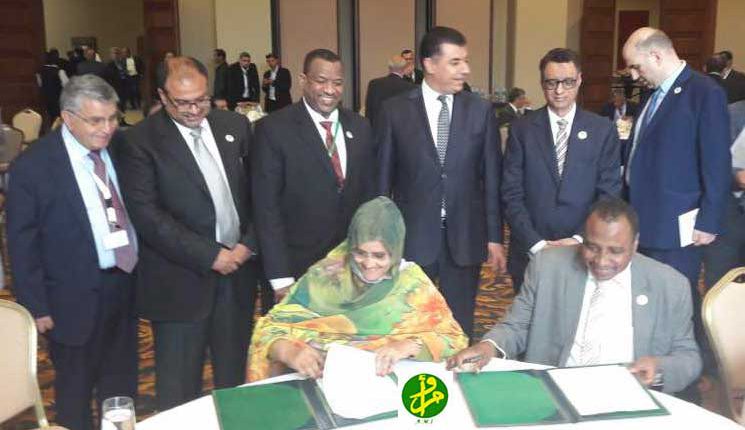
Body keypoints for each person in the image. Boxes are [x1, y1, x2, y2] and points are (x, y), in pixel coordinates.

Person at [447, 198, 701, 395]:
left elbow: (688, 357)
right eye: (592, 247)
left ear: (634, 245)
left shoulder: (669, 285)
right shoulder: (547, 266)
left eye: (615, 251)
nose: (601, 261)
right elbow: (517, 325)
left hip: (628, 396)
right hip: (554, 392)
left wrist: (658, 369)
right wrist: (488, 347)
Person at [117, 56, 259, 410]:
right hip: (179, 284)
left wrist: (247, 245)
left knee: (235, 384)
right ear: (163, 96)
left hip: (238, 277)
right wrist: (211, 255)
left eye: (201, 100)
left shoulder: (235, 125)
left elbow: (260, 193)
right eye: (183, 103)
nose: (195, 110)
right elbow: (148, 216)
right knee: (179, 391)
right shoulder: (140, 141)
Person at [6, 75, 138, 430]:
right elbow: (21, 243)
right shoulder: (33, 167)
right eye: (96, 120)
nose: (107, 129)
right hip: (69, 298)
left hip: (123, 285)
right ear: (68, 117)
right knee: (75, 394)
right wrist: (36, 305)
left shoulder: (120, 148)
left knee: (121, 387)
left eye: (112, 118)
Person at [248, 197, 467, 381]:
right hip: (321, 381)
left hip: (386, 383)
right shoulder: (326, 276)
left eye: (380, 256)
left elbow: (454, 340)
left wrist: (410, 346)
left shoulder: (412, 285)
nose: (369, 264)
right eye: (360, 253)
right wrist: (288, 351)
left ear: (396, 250)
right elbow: (268, 329)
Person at [377, 27, 505, 338]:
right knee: (408, 326)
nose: (466, 69)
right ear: (430, 64)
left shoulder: (480, 111)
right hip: (412, 239)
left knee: (459, 327)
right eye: (455, 62)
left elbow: (491, 178)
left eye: (466, 61)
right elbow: (381, 181)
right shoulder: (395, 111)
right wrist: (382, 239)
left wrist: (494, 237)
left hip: (465, 238)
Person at [622, 29, 730, 397]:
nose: (633, 75)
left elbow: (716, 161)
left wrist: (709, 220)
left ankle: (686, 386)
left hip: (679, 227)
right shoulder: (652, 95)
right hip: (644, 221)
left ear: (655, 56)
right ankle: (649, 375)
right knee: (648, 304)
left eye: (636, 67)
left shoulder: (704, 93)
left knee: (677, 307)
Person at [252, 48, 376, 303]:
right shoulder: (273, 129)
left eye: (337, 83)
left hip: (349, 266)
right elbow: (266, 208)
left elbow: (368, 196)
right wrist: (280, 278)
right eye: (321, 81)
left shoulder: (360, 127)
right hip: (296, 268)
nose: (330, 90)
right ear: (303, 80)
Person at [502, 48, 621, 292]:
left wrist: (579, 238)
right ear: (541, 82)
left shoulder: (602, 130)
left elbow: (608, 193)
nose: (559, 90)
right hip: (530, 251)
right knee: (530, 315)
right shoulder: (522, 129)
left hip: (585, 250)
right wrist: (536, 244)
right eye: (551, 82)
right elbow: (511, 193)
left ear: (579, 80)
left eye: (567, 82)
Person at [364, 54, 415, 126]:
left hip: (378, 128)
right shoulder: (411, 88)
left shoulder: (374, 84)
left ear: (389, 67)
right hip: (400, 129)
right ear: (404, 69)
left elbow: (369, 112)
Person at [36, 49, 69, 120]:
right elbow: (67, 85)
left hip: (46, 98)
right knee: (59, 118)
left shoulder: (40, 71)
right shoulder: (60, 71)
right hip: (58, 99)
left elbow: (40, 84)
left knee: (50, 117)